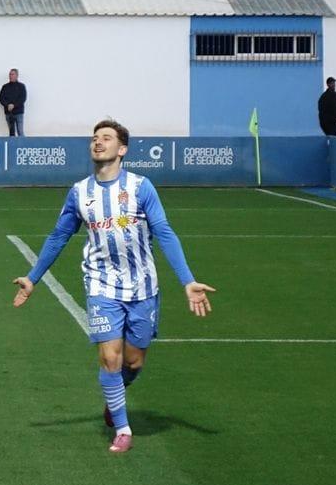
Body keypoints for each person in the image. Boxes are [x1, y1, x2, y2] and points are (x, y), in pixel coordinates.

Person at [12, 119, 214, 453]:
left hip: (142, 287)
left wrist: (187, 280)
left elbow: (164, 231)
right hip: (101, 285)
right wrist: (33, 279)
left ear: (122, 149)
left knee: (133, 362)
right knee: (110, 358)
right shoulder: (80, 193)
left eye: (106, 138)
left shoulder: (141, 188)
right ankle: (122, 428)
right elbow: (59, 235)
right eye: (95, 138)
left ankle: (114, 397)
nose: (98, 142)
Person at [0, 68, 27, 136]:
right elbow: (1, 98)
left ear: (17, 75)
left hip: (19, 112)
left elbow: (23, 98)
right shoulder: (5, 87)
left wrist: (14, 105)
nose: (10, 76)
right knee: (11, 133)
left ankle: (22, 146)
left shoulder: (21, 86)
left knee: (20, 131)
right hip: (9, 113)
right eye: (10, 74)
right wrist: (7, 105)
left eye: (12, 74)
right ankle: (12, 146)